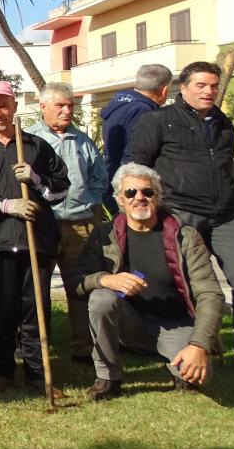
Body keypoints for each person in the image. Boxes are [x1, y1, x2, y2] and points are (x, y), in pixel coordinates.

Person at [129, 61, 234, 376]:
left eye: (214, 86)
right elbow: (139, 167)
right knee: (187, 285)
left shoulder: (224, 125)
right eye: (201, 86)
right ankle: (187, 347)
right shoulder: (159, 121)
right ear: (184, 88)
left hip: (226, 215)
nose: (209, 92)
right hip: (180, 211)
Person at [0, 80, 70, 395]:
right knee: (0, 312)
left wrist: (36, 179)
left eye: (3, 105)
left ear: (14, 107)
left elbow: (61, 188)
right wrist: (5, 205)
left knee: (36, 310)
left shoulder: (35, 145)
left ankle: (39, 376)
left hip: (36, 240)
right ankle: (2, 372)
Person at [72, 163, 223, 399]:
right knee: (101, 298)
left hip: (176, 324)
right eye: (130, 193)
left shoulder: (185, 236)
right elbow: (76, 282)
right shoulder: (104, 234)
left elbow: (210, 294)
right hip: (129, 323)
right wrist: (107, 279)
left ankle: (179, 364)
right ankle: (107, 379)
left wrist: (199, 345)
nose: (139, 198)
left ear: (158, 197)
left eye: (147, 192)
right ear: (120, 200)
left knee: (195, 377)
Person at [25, 82, 108, 366]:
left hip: (80, 224)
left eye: (70, 106)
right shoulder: (30, 140)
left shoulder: (82, 141)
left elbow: (100, 176)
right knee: (38, 288)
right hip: (42, 224)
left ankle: (83, 347)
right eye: (60, 105)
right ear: (44, 107)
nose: (66, 110)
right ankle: (38, 348)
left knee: (81, 288)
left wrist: (92, 201)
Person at [100, 64, 172, 212]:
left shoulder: (120, 106)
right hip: (132, 188)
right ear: (164, 90)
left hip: (115, 179)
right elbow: (135, 152)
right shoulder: (143, 111)